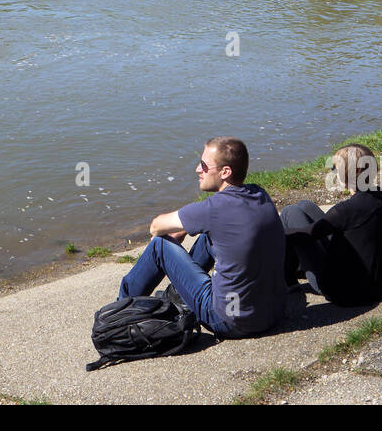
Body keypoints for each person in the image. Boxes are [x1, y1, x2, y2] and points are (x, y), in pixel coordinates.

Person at [117, 137, 287, 339]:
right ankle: (179, 295)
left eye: (205, 166)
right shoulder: (259, 193)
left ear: (225, 172)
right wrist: (187, 228)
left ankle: (120, 312)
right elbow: (220, 223)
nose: (198, 169)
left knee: (160, 245)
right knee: (210, 238)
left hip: (230, 320)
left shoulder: (213, 209)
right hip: (273, 314)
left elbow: (156, 226)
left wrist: (176, 232)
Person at [279, 143, 382, 306]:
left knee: (290, 212)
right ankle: (296, 269)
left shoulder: (346, 210)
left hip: (345, 291)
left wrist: (268, 233)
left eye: (335, 169)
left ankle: (287, 280)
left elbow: (307, 234)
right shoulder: (379, 196)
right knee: (305, 205)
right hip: (378, 285)